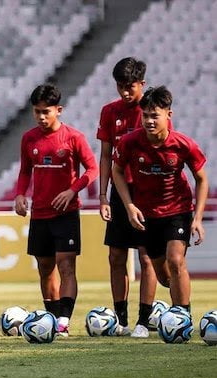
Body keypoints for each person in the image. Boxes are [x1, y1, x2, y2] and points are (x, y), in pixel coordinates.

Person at [113, 86, 207, 321]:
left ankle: (182, 319)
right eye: (145, 115)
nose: (149, 120)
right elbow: (117, 171)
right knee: (165, 276)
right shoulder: (130, 142)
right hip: (147, 215)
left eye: (154, 115)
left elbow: (202, 178)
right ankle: (169, 313)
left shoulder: (184, 144)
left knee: (176, 261)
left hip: (178, 210)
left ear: (168, 115)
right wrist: (129, 206)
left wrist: (197, 218)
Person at [14, 84, 98, 337]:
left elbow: (92, 170)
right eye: (37, 112)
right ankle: (50, 318)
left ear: (58, 110)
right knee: (44, 268)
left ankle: (64, 319)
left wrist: (72, 190)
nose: (41, 117)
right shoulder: (29, 138)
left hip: (66, 213)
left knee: (66, 266)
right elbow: (25, 171)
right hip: (39, 213)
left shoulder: (74, 138)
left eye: (46, 112)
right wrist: (20, 194)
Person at [97, 57, 161, 338]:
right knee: (116, 256)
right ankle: (121, 321)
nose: (124, 92)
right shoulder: (110, 112)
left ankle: (143, 322)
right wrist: (102, 195)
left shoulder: (151, 112)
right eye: (120, 86)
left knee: (147, 258)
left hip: (146, 192)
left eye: (130, 86)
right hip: (118, 192)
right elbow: (104, 155)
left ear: (142, 85)